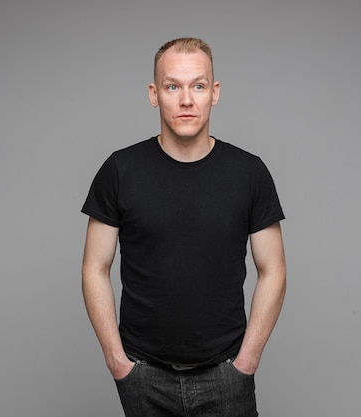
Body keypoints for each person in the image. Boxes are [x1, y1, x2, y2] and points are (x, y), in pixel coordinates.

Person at [81, 37, 286, 417]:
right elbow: (94, 267)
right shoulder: (120, 171)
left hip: (226, 373)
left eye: (199, 85)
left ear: (215, 92)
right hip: (142, 374)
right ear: (154, 94)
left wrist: (248, 361)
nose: (186, 99)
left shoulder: (249, 173)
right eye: (173, 86)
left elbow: (273, 270)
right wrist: (116, 361)